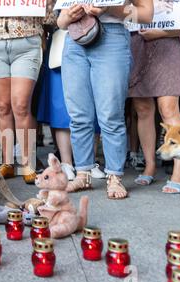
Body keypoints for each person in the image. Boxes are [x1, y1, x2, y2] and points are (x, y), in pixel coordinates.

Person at [58, 1, 154, 199]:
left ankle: (114, 176)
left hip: (113, 35)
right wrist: (70, 15)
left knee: (110, 113)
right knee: (78, 113)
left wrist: (111, 9)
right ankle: (83, 173)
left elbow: (146, 15)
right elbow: (60, 22)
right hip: (75, 37)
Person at [0, 1, 57, 184]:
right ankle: (7, 162)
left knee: (21, 105)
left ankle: (27, 163)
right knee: (2, 106)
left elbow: (50, 17)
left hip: (27, 42)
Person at [130, 1, 180, 194]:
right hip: (137, 43)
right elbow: (123, 13)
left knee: (168, 109)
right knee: (142, 108)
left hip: (167, 45)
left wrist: (162, 33)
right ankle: (150, 164)